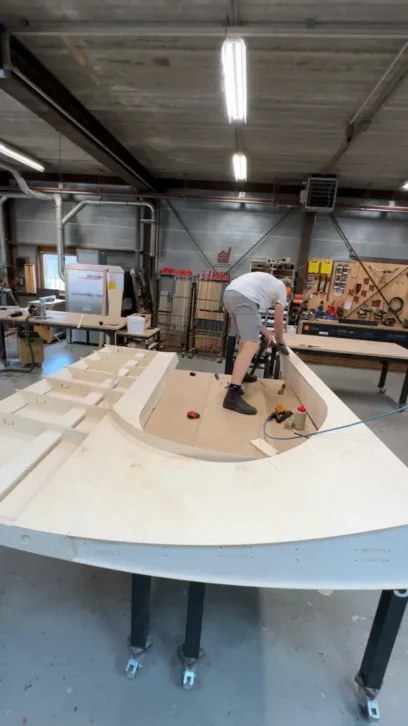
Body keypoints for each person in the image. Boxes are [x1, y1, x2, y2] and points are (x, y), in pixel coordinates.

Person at [223, 271, 291, 415]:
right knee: (251, 345)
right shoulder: (282, 289)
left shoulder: (266, 285)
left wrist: (267, 333)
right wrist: (280, 342)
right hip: (243, 298)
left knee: (245, 340)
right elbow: (278, 323)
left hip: (229, 294)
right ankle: (232, 395)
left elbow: (253, 319)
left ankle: (242, 375)